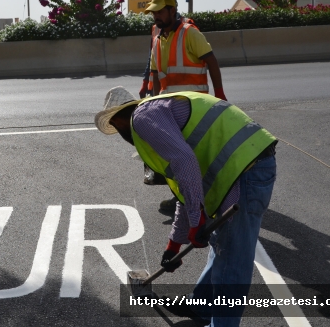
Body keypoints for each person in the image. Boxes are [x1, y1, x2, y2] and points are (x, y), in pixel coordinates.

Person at [95, 86, 277, 327]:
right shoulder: (157, 115)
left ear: (117, 119)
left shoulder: (142, 119)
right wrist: (174, 244)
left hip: (248, 168)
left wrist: (196, 217)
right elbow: (184, 188)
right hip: (244, 165)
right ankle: (201, 305)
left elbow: (185, 162)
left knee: (233, 257)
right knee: (222, 243)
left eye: (116, 128)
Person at [144, 0, 227, 212]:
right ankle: (183, 197)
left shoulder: (189, 33)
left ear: (172, 10)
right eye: (154, 13)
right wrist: (151, 102)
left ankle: (209, 197)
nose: (156, 16)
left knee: (197, 155)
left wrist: (219, 92)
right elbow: (155, 74)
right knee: (177, 158)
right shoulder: (158, 39)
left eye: (160, 11)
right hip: (170, 110)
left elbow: (211, 60)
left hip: (195, 108)